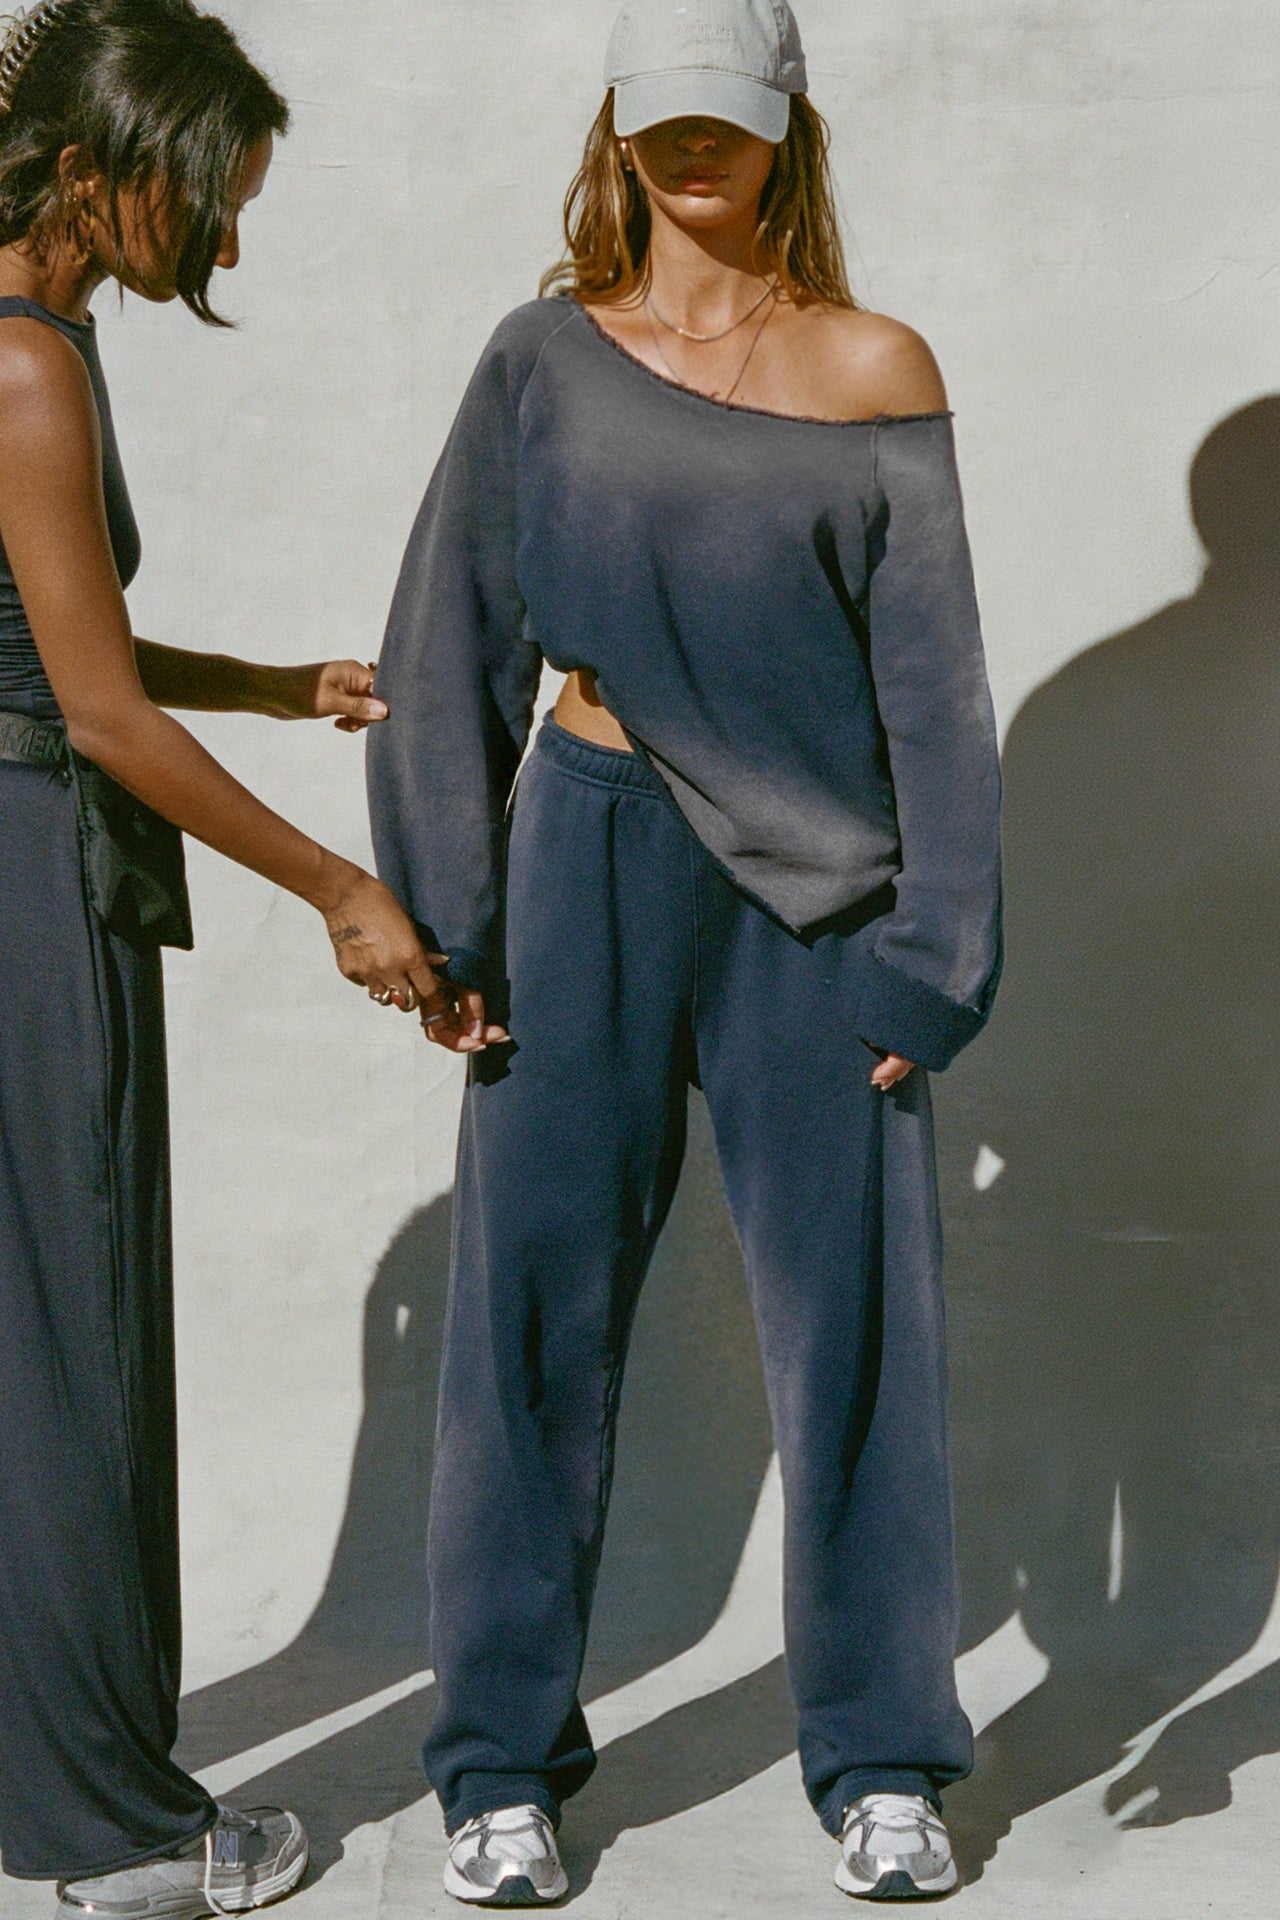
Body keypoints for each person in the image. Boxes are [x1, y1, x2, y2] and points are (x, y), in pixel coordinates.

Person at [370, 0, 1002, 1902]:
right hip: (586, 857)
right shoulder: (542, 357)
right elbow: (447, 640)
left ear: (787, 126)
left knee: (856, 1337)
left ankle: (883, 1759)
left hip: (821, 909)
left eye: (727, 118)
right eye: (662, 121)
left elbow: (937, 691)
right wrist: (450, 911)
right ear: (618, 132)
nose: (693, 151)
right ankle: (498, 1764)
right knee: (531, 1320)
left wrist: (936, 957)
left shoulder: (874, 364)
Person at [0, 2, 458, 1914]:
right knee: (72, 1349)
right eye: (212, 199)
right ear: (96, 171)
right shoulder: (27, 363)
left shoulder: (34, 334)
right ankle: (114, 1838)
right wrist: (341, 886)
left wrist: (268, 685)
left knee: (25, 1342)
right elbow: (93, 715)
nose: (229, 240)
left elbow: (57, 640)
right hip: (31, 879)